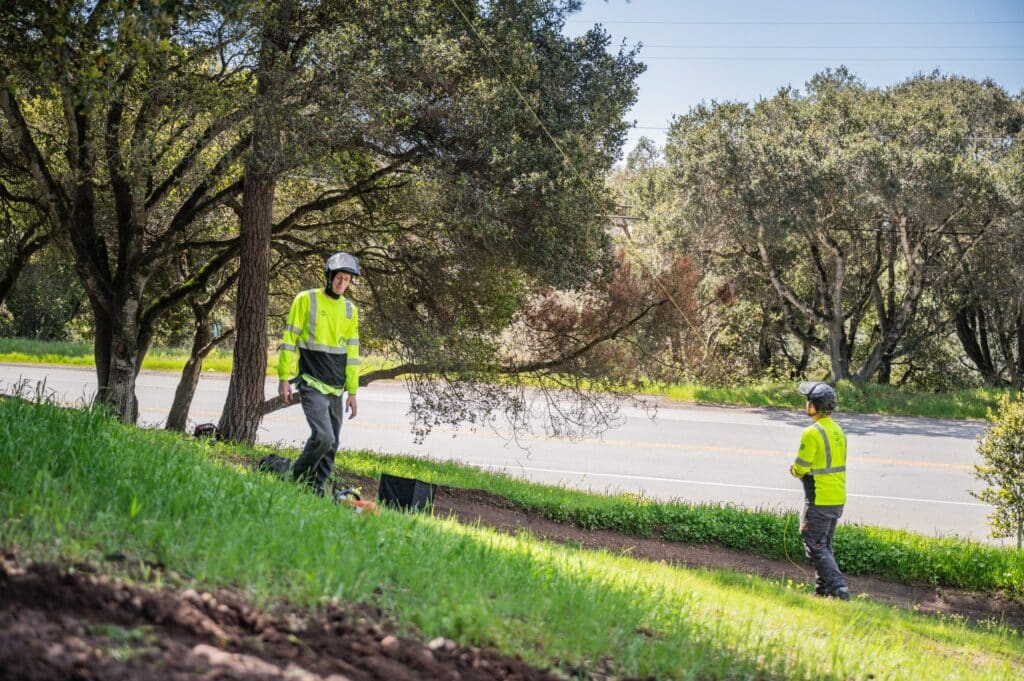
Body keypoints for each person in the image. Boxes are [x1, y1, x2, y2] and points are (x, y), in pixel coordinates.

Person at [277, 252, 361, 495]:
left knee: (333, 443)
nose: (342, 283)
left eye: (346, 280)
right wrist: (284, 377)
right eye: (339, 278)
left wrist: (352, 392)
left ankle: (316, 488)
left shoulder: (350, 310)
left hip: (336, 386)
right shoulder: (306, 299)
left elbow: (353, 353)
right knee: (323, 437)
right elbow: (289, 339)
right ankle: (295, 477)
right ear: (329, 276)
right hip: (311, 380)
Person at [789, 381, 850, 601]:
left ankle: (839, 589)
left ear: (814, 406)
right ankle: (822, 592)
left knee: (813, 544)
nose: (806, 404)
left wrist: (794, 470)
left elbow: (802, 467)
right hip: (836, 499)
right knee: (824, 545)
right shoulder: (838, 431)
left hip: (819, 498)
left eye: (808, 402)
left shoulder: (811, 433)